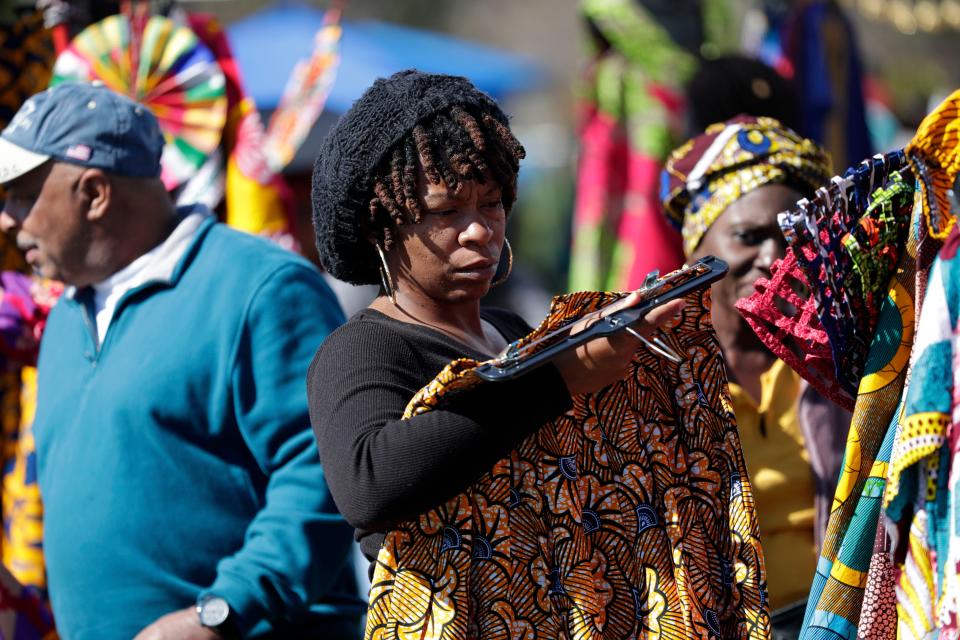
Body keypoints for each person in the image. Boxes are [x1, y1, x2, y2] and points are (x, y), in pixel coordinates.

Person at [307, 70, 686, 622]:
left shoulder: (509, 330)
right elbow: (368, 486)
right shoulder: (363, 350)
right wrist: (554, 379)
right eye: (445, 211)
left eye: (491, 203)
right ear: (380, 226)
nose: (479, 230)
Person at [0, 82, 362, 639]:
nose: (6, 219)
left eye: (21, 196)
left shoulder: (260, 287)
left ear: (94, 193)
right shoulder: (68, 314)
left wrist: (221, 612)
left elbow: (329, 474)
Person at [661, 115, 852, 632]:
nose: (773, 258)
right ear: (696, 247)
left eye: (790, 238)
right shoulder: (655, 377)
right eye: (748, 236)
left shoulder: (836, 366)